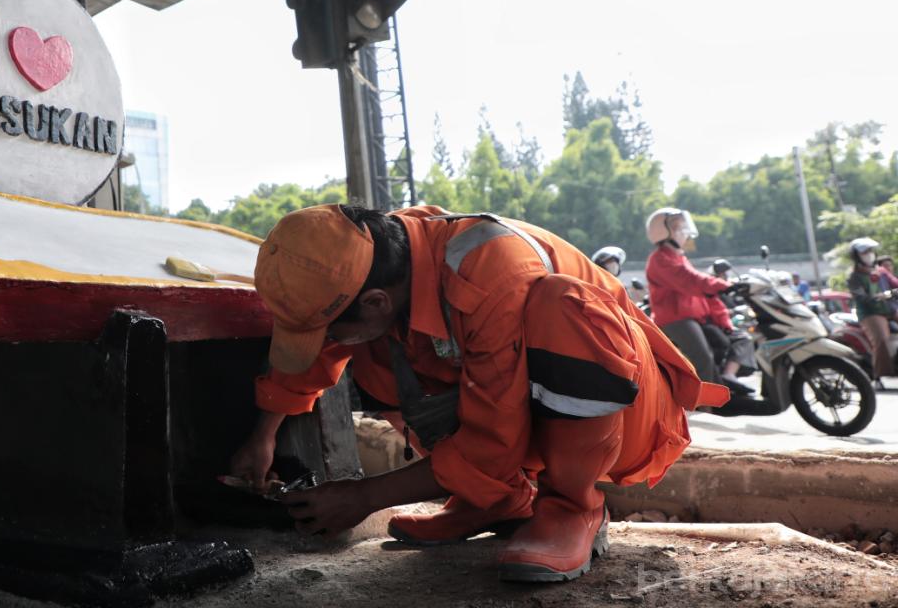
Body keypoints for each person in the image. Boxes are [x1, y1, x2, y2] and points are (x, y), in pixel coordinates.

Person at [230, 204, 727, 583]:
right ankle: (497, 502)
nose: (328, 345)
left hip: (634, 411)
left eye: (330, 331)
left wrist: (365, 496)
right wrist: (264, 436)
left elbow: (495, 441)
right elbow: (321, 355)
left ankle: (574, 508)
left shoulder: (490, 270)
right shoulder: (374, 256)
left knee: (562, 310)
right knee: (377, 351)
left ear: (376, 301)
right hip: (510, 403)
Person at [644, 208, 755, 395]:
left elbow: (703, 293)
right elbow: (690, 280)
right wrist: (721, 285)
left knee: (735, 339)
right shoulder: (660, 259)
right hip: (676, 320)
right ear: (663, 233)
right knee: (703, 358)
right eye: (679, 228)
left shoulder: (679, 257)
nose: (684, 232)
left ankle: (724, 385)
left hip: (693, 318)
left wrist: (724, 318)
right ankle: (707, 405)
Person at [845, 238, 896, 384]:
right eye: (865, 252)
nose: (869, 254)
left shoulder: (881, 271)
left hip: (889, 308)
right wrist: (878, 297)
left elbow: (895, 283)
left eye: (870, 251)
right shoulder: (853, 276)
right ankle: (879, 375)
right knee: (881, 340)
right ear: (856, 256)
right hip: (870, 313)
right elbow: (861, 297)